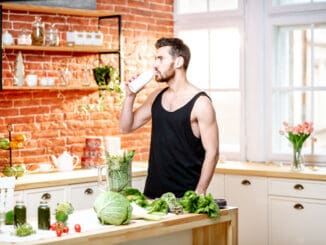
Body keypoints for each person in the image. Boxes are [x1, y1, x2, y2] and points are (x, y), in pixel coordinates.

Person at [120, 37, 219, 199]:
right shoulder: (156, 97)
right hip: (152, 195)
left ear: (178, 62)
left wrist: (199, 192)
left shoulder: (201, 103)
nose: (155, 64)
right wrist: (130, 96)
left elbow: (212, 152)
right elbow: (125, 128)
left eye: (160, 58)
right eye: (155, 59)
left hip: (185, 197)